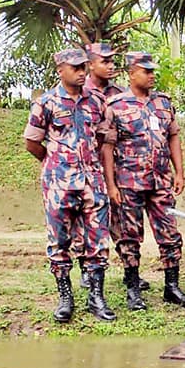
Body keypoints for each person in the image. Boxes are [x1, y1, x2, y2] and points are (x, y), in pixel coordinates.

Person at [23, 48, 116, 323]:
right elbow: (32, 142)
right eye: (75, 67)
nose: (81, 71)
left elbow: (100, 137)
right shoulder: (46, 103)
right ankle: (65, 298)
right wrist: (54, 163)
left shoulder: (96, 101)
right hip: (59, 183)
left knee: (98, 239)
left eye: (83, 67)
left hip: (92, 182)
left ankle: (96, 297)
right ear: (60, 70)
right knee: (59, 241)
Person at [101, 51, 185, 312]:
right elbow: (107, 147)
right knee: (129, 237)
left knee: (170, 234)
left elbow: (173, 137)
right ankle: (133, 289)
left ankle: (171, 286)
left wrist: (180, 172)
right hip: (128, 182)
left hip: (160, 181)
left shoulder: (164, 103)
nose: (152, 75)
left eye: (153, 71)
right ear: (132, 74)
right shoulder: (116, 106)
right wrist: (110, 185)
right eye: (147, 71)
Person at [77, 42, 130, 290]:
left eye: (112, 61)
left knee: (122, 221)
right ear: (90, 64)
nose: (110, 66)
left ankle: (131, 269)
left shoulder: (119, 93)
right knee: (85, 223)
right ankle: (86, 270)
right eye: (104, 61)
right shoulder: (79, 93)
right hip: (86, 170)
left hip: (119, 167)